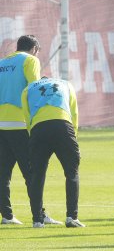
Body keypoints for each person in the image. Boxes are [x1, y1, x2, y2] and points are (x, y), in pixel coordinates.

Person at [0, 35, 61, 225]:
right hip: (20, 123)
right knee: (32, 172)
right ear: (34, 48)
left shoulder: (2, 63)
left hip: (1, 124)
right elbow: (34, 89)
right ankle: (39, 215)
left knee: (2, 173)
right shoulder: (30, 60)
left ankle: (7, 215)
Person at [21, 77, 85, 228]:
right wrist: (74, 138)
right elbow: (74, 113)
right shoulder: (66, 84)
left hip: (38, 129)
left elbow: (27, 116)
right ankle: (71, 217)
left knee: (37, 175)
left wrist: (34, 136)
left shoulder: (28, 89)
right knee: (72, 173)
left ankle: (37, 220)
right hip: (63, 126)